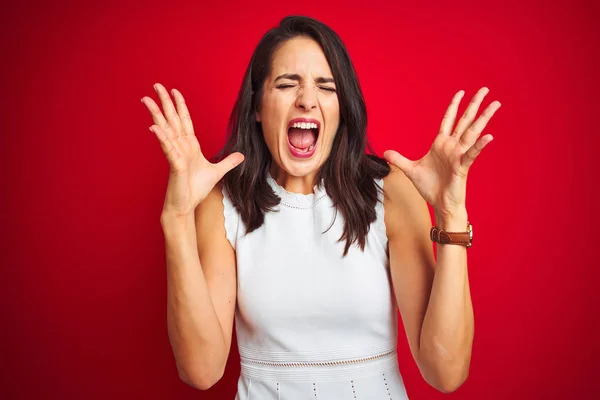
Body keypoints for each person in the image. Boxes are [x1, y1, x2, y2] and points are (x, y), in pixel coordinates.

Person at [141, 15, 500, 400]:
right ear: (258, 106)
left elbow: (445, 371)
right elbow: (201, 370)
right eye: (285, 84)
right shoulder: (223, 202)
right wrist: (177, 219)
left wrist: (451, 216)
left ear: (342, 108)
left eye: (326, 87)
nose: (307, 99)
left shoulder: (392, 192)